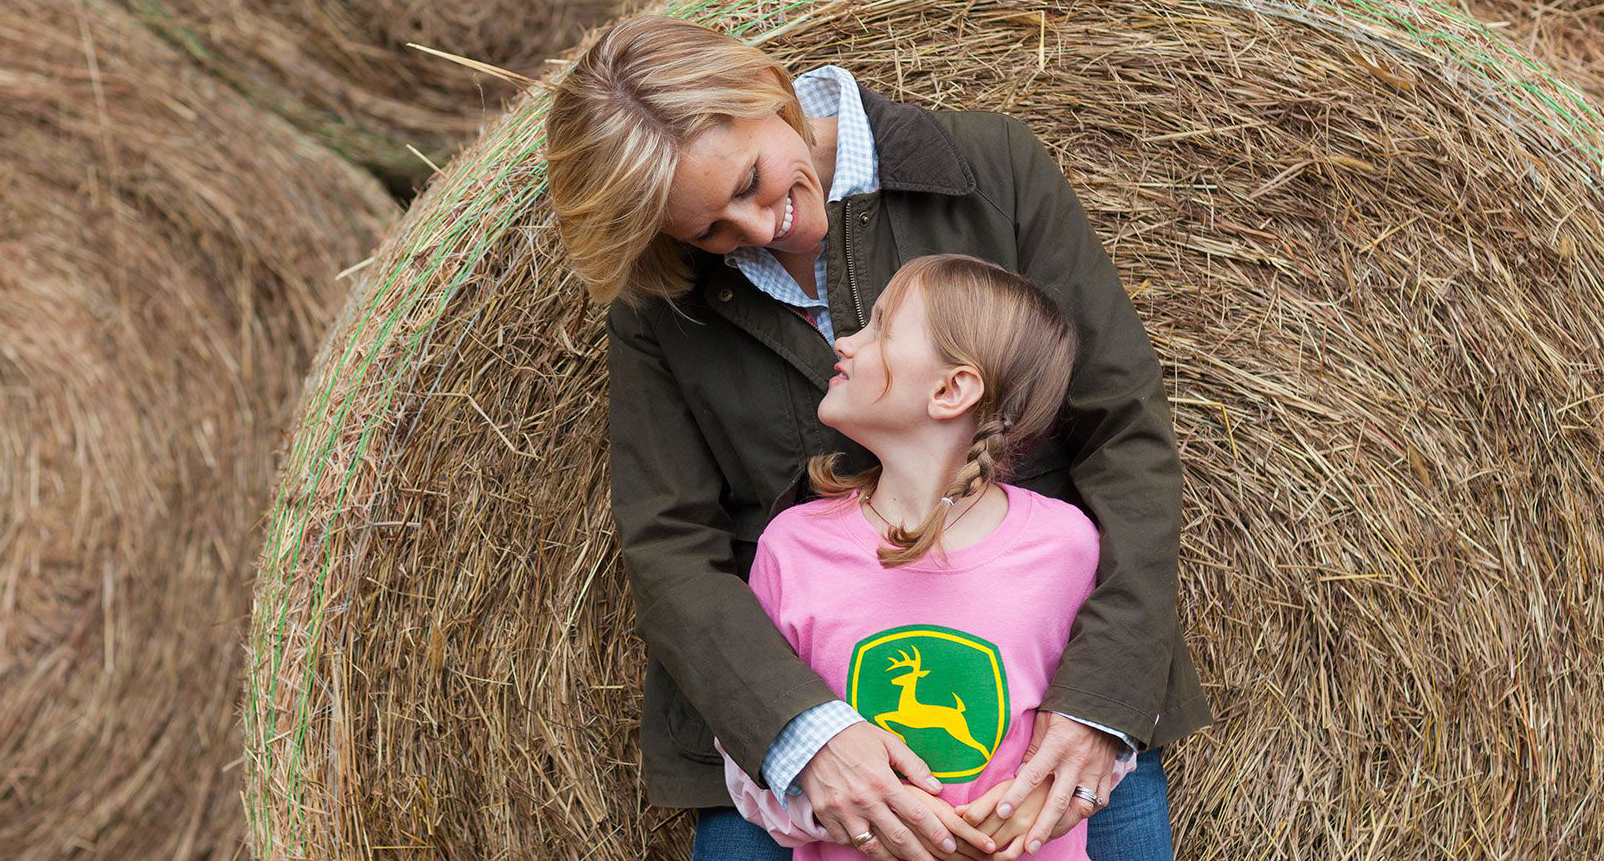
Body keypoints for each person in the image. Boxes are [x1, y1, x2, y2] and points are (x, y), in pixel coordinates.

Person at [544, 14, 1212, 861]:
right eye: (708, 228)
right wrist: (802, 735)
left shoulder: (991, 170)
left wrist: (1098, 702)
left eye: (752, 179)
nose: (758, 229)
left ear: (764, 91)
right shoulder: (660, 297)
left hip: (1048, 719)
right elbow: (669, 544)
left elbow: (1126, 434)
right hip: (779, 748)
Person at [714, 253, 1135, 861]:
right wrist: (856, 817)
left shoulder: (1065, 546)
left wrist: (1041, 809)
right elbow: (749, 760)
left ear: (949, 389)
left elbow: (1096, 724)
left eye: (880, 327)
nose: (845, 340)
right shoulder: (793, 548)